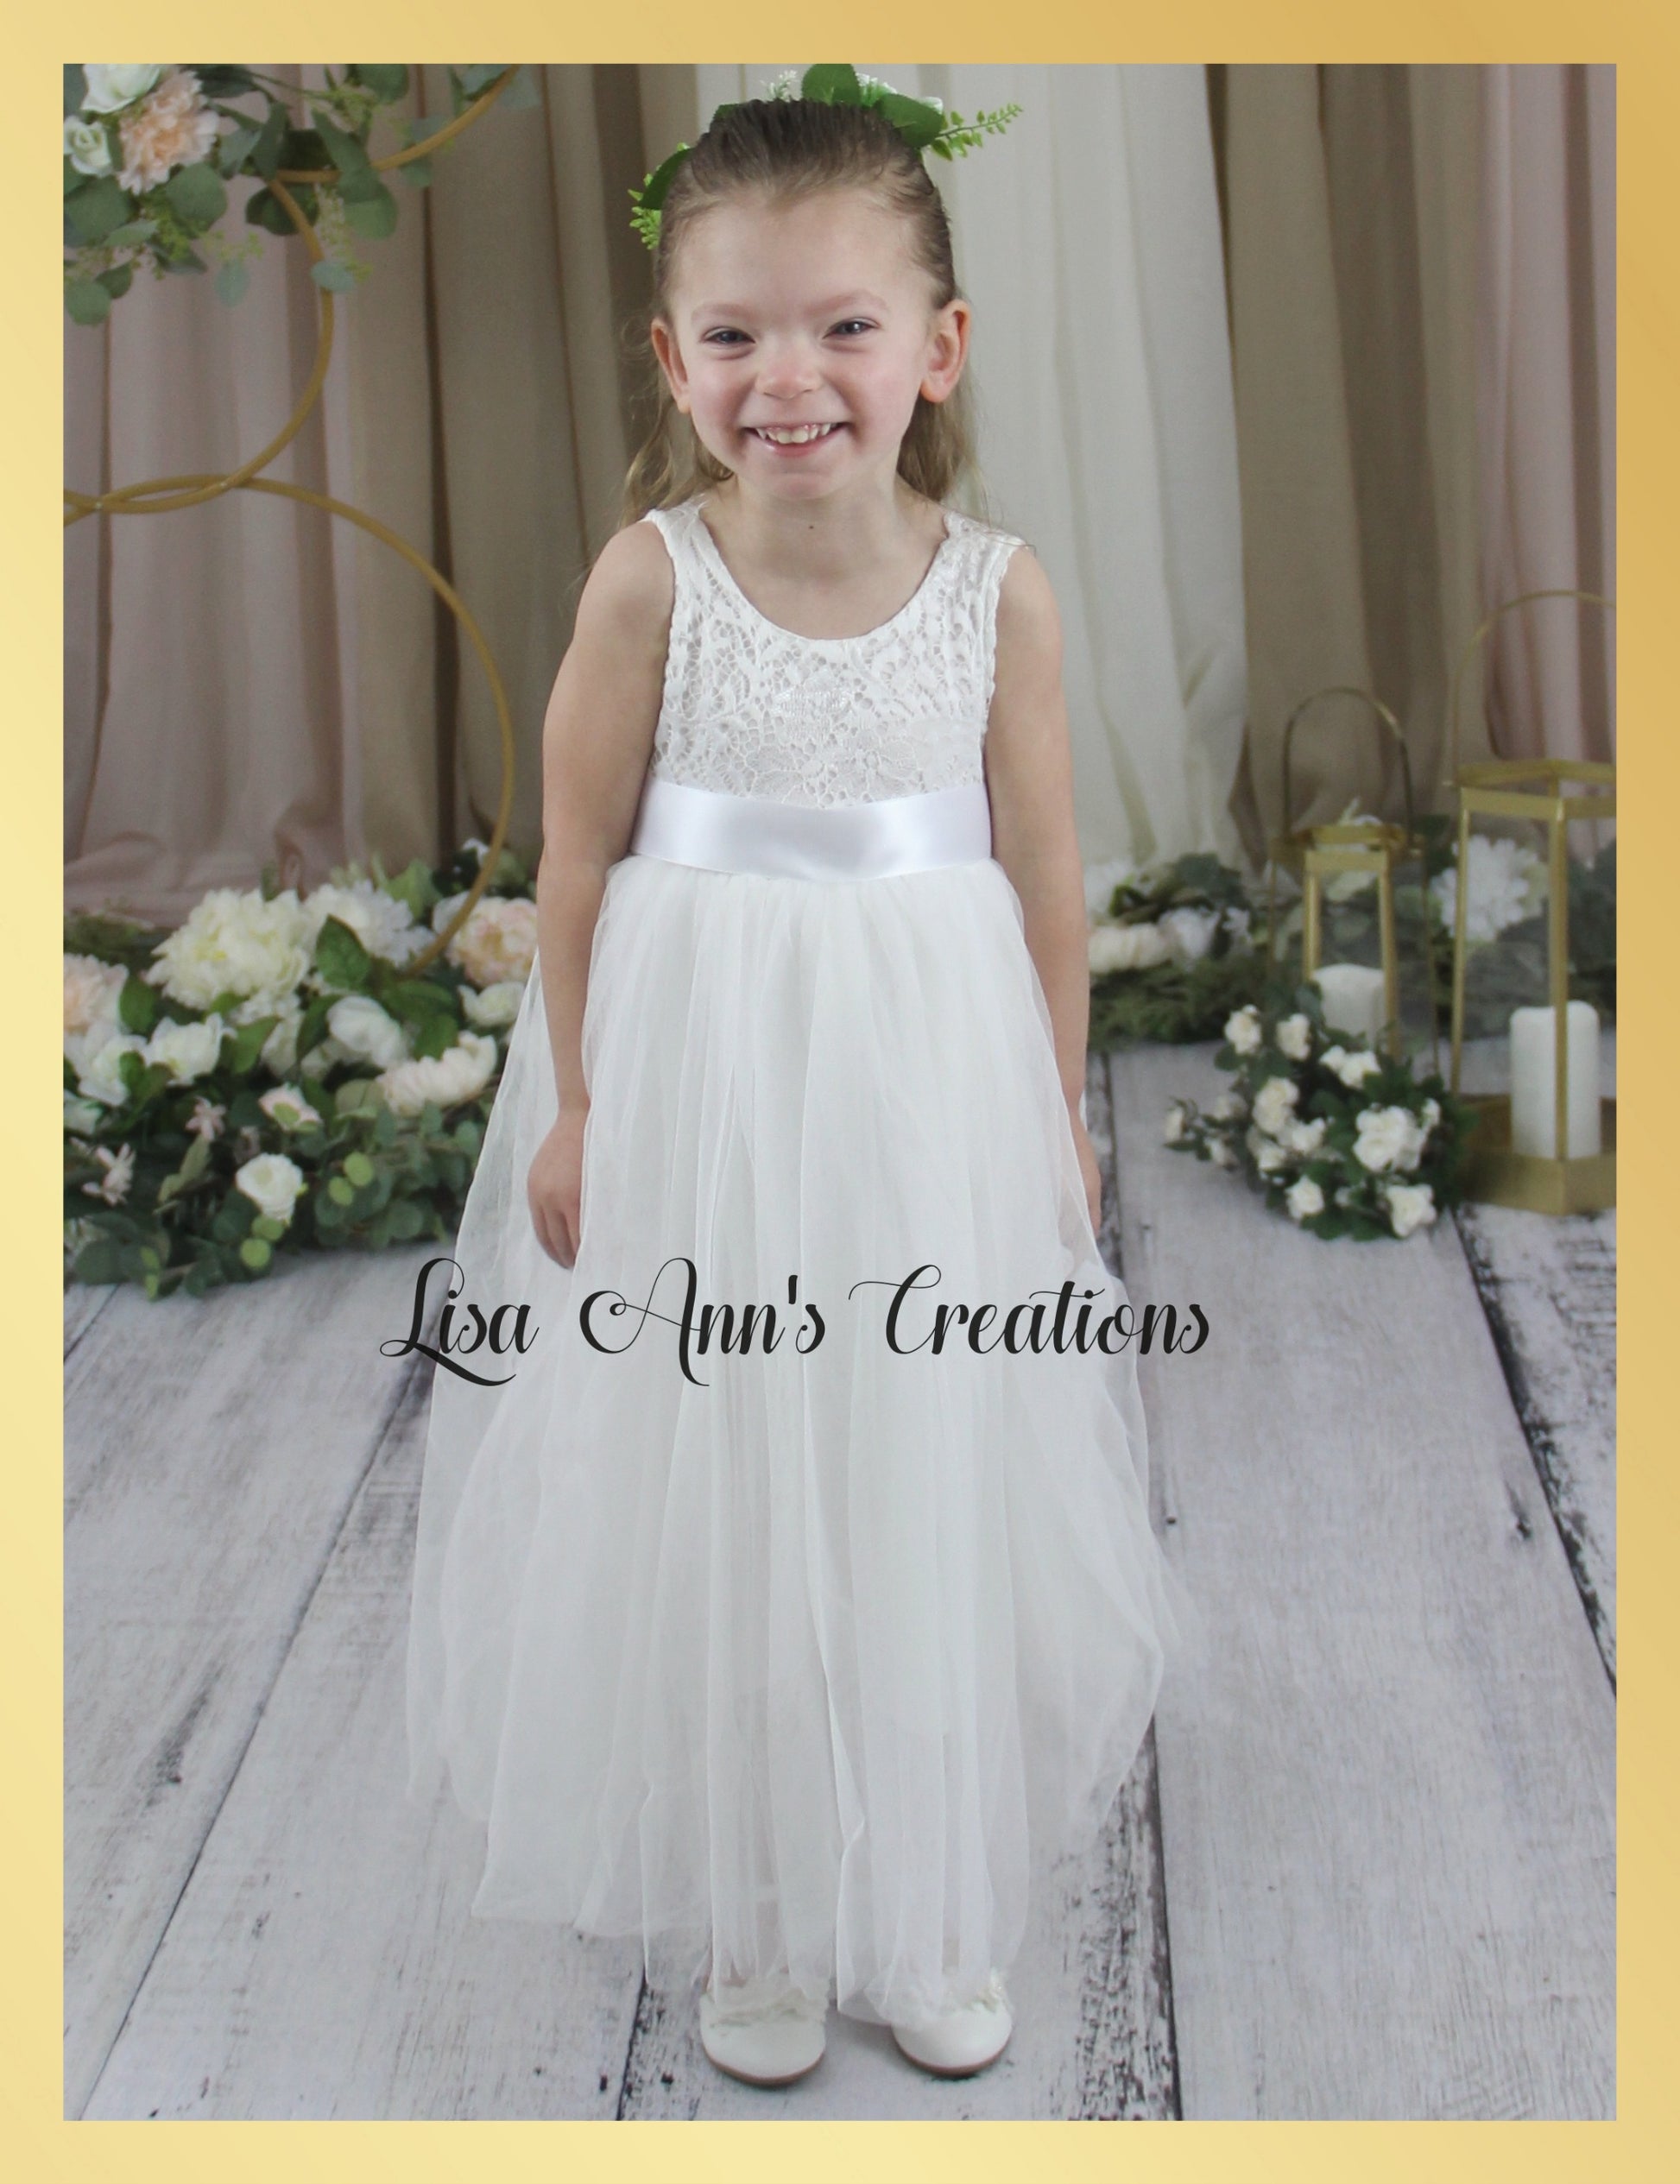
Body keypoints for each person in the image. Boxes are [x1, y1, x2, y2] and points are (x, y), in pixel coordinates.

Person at [406, 73, 1197, 2096]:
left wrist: (1053, 1106)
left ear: (936, 351)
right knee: (728, 1476)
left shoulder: (991, 588)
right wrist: (582, 1106)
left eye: (844, 325)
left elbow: (1039, 870)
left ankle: (923, 1903)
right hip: (712, 1080)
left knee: (915, 1465)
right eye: (738, 334)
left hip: (923, 1081)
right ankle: (757, 1906)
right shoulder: (652, 577)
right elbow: (576, 855)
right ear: (673, 361)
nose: (791, 379)